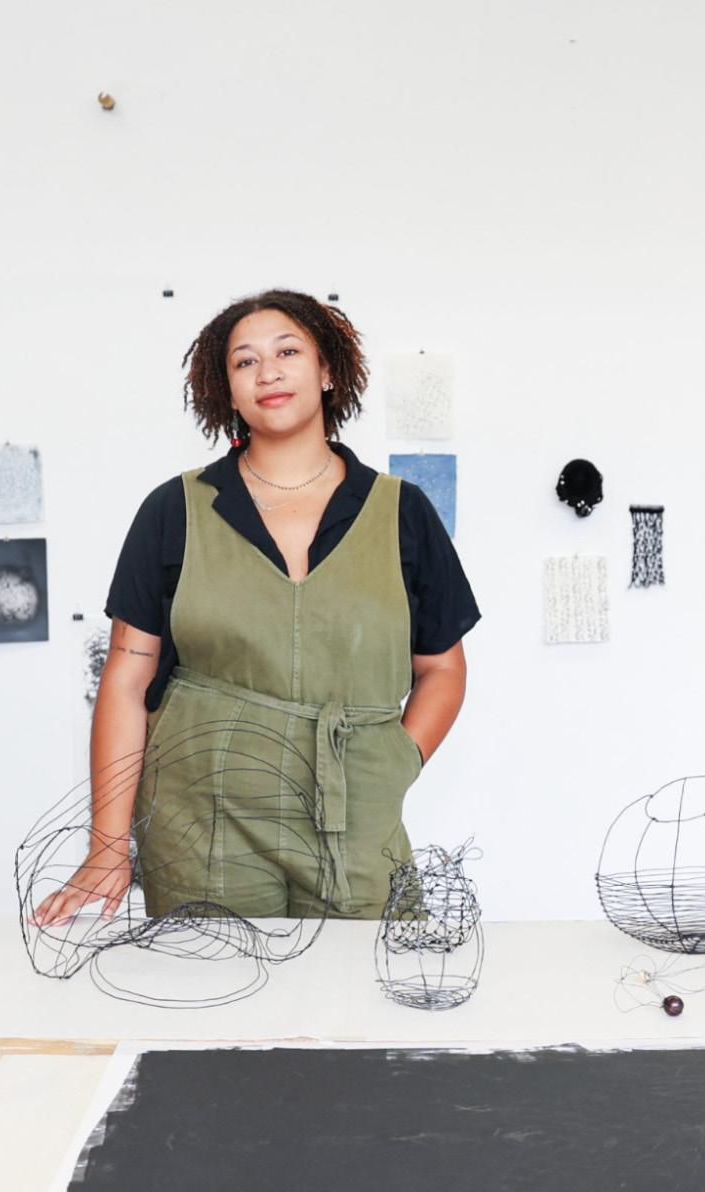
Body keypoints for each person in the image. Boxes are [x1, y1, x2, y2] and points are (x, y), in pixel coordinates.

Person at [32, 290, 479, 926]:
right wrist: (106, 848)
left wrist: (393, 765)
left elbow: (443, 668)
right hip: (200, 820)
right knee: (215, 987)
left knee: (360, 986)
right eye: (245, 362)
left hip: (354, 816)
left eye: (287, 352)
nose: (267, 372)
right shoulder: (173, 511)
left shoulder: (403, 513)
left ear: (327, 373)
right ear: (229, 394)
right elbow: (127, 680)